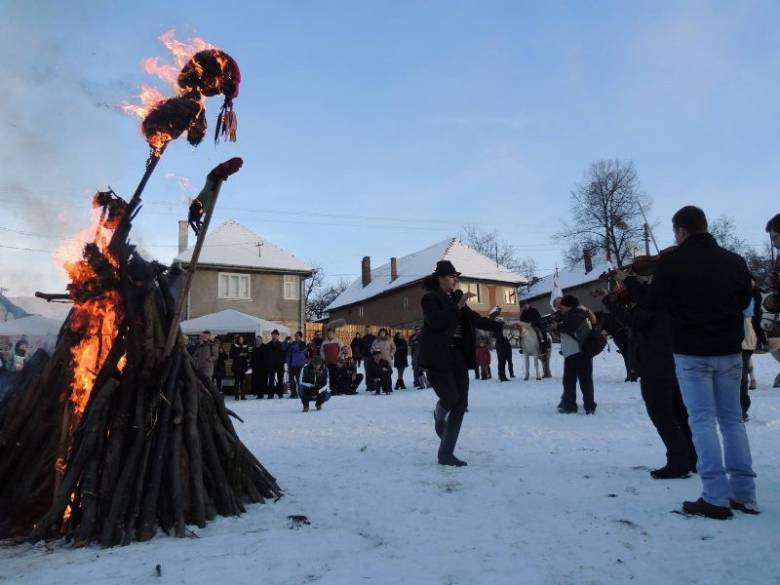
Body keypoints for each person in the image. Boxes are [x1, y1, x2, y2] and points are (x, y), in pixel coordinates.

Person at [644, 206, 757, 519]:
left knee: (702, 421)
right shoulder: (735, 261)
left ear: (680, 231)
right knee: (732, 420)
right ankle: (745, 494)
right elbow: (744, 301)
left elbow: (654, 304)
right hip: (730, 351)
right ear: (705, 226)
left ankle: (715, 497)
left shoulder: (672, 263)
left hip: (692, 353)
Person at [598, 275, 696, 479]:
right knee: (678, 413)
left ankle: (678, 460)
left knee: (662, 414)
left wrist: (612, 301)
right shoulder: (670, 300)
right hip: (671, 363)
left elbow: (634, 319)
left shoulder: (652, 303)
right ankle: (691, 457)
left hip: (656, 365)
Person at [420, 260, 504, 467]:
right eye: (451, 277)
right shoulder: (430, 299)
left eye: (456, 277)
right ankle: (439, 416)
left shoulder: (457, 299)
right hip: (439, 355)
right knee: (450, 397)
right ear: (440, 279)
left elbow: (473, 319)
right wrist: (456, 306)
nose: (455, 281)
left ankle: (446, 453)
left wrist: (498, 325)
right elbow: (437, 322)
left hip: (458, 354)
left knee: (461, 404)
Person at [556, 295, 597, 415]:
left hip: (581, 352)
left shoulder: (579, 313)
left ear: (568, 305)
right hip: (571, 353)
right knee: (569, 381)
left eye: (562, 305)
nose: (560, 307)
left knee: (585, 382)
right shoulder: (572, 313)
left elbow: (571, 327)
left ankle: (589, 406)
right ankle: (569, 405)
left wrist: (557, 326)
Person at [740, 297, 757, 421]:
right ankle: (741, 409)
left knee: (740, 378)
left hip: (742, 341)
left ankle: (741, 409)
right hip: (745, 341)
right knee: (741, 378)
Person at [490, 308, 514, 381]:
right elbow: (493, 335)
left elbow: (509, 334)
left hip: (506, 345)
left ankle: (505, 375)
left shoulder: (504, 327)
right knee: (501, 362)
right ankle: (502, 376)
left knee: (507, 361)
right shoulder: (495, 328)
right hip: (500, 345)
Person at [286, 331, 307, 399]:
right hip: (292, 364)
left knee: (299, 380)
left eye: (297, 336)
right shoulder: (292, 343)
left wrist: (292, 345)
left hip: (299, 365)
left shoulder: (303, 344)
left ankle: (301, 393)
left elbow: (300, 350)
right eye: (295, 336)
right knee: (291, 380)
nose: (295, 337)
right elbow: (287, 350)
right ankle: (293, 393)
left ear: (300, 337)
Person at [265, 330, 286, 398]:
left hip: (279, 365)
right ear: (271, 335)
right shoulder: (268, 345)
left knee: (280, 380)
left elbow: (284, 355)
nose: (274, 336)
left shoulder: (281, 344)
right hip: (271, 365)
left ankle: (280, 393)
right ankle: (271, 394)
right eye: (273, 335)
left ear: (278, 336)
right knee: (271, 380)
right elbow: (266, 356)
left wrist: (282, 362)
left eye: (275, 335)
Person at [230, 336, 250, 400]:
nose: (241, 340)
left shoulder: (246, 346)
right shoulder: (234, 346)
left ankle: (243, 395)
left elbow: (249, 355)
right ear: (238, 340)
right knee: (236, 381)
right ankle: (236, 396)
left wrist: (246, 355)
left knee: (243, 382)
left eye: (242, 339)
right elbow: (231, 355)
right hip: (236, 366)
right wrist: (238, 355)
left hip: (243, 366)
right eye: (240, 339)